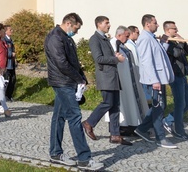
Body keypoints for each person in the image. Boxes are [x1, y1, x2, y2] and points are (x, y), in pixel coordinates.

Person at [45, 13, 102, 171]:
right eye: (76, 28)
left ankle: (55, 153)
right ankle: (84, 158)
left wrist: (82, 78)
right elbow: (61, 63)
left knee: (59, 118)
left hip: (68, 81)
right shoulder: (55, 37)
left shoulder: (65, 37)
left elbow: (73, 62)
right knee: (75, 117)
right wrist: (78, 78)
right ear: (69, 23)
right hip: (62, 82)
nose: (76, 32)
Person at [83, 16, 130, 145]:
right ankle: (89, 123)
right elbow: (98, 58)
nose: (109, 25)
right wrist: (116, 59)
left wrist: (115, 55)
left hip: (112, 76)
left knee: (115, 106)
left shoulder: (105, 38)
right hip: (105, 77)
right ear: (99, 24)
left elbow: (106, 56)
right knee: (108, 103)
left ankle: (115, 135)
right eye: (106, 23)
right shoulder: (95, 39)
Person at [134, 14, 177, 149]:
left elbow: (158, 56)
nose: (158, 25)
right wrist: (154, 80)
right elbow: (147, 61)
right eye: (155, 23)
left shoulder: (151, 38)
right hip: (154, 80)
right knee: (158, 107)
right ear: (148, 24)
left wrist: (164, 43)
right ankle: (160, 137)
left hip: (158, 79)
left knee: (159, 107)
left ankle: (141, 129)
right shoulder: (145, 39)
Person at [106, 26, 147, 135]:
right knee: (122, 105)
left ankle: (131, 125)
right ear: (119, 35)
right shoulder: (112, 45)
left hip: (129, 79)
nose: (128, 38)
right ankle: (121, 128)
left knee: (130, 102)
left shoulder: (122, 45)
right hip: (120, 80)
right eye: (126, 36)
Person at [160, 21, 188, 139]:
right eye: (174, 29)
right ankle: (179, 130)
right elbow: (176, 53)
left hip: (182, 74)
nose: (177, 30)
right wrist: (179, 43)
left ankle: (168, 120)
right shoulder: (165, 41)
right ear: (168, 30)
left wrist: (182, 42)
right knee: (180, 104)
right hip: (175, 75)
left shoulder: (176, 41)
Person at [4, 25, 17, 101]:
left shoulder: (10, 40)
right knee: (6, 80)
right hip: (7, 63)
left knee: (13, 79)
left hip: (11, 62)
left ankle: (9, 95)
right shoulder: (4, 40)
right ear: (6, 31)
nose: (12, 31)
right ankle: (4, 95)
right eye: (10, 30)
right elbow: (4, 52)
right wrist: (10, 54)